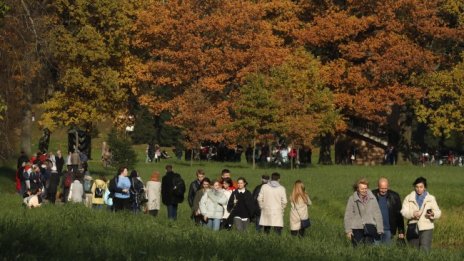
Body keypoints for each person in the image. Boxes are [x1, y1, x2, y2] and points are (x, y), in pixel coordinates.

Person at [401, 177, 441, 252]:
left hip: (427, 227)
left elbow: (438, 212)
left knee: (425, 249)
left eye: (421, 187)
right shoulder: (408, 198)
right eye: (417, 187)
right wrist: (412, 214)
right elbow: (403, 212)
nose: (419, 189)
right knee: (413, 250)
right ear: (414, 187)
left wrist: (433, 214)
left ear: (425, 187)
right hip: (412, 226)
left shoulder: (431, 198)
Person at [344, 177, 384, 247]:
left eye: (365, 188)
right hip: (356, 228)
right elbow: (348, 215)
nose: (364, 190)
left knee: (369, 248)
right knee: (358, 248)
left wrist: (380, 229)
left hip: (370, 226)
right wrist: (348, 231)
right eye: (362, 189)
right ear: (357, 189)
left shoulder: (372, 198)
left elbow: (378, 214)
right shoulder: (352, 199)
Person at [371, 177, 405, 245]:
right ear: (378, 186)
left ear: (388, 186)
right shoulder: (372, 195)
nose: (383, 190)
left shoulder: (395, 196)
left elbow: (399, 215)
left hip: (389, 231)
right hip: (375, 230)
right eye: (381, 188)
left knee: (387, 252)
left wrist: (401, 231)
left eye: (385, 188)